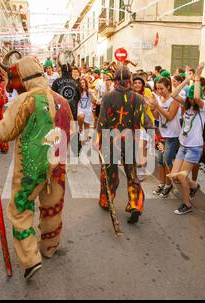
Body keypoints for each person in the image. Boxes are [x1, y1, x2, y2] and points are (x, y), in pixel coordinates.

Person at [0, 53, 72, 281]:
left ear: (22, 78)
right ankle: (49, 247)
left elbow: (4, 132)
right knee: (53, 207)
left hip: (31, 168)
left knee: (19, 210)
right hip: (58, 166)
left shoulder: (26, 100)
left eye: (13, 79)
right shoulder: (62, 100)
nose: (11, 85)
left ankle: (31, 259)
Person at [97, 66, 153, 224]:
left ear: (115, 81)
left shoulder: (108, 97)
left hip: (111, 140)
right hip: (131, 141)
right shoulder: (138, 98)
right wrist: (156, 139)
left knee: (110, 174)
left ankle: (107, 200)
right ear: (130, 80)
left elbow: (102, 121)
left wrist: (98, 139)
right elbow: (146, 121)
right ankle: (135, 205)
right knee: (132, 174)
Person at [167, 64, 205, 215]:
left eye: (192, 96)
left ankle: (187, 204)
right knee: (175, 177)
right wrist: (186, 80)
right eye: (188, 96)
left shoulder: (204, 106)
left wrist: (197, 77)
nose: (190, 98)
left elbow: (197, 97)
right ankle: (194, 186)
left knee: (182, 177)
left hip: (194, 147)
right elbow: (173, 95)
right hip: (183, 145)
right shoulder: (187, 106)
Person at [147, 77, 181, 199]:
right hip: (162, 134)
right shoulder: (160, 99)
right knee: (160, 161)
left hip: (172, 135)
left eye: (162, 88)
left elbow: (170, 116)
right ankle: (161, 183)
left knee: (167, 160)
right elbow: (157, 117)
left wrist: (158, 106)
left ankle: (168, 184)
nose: (159, 91)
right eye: (157, 88)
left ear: (168, 87)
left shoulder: (174, 100)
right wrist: (153, 108)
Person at [76, 78, 94, 142]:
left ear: (86, 83)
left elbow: (94, 101)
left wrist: (91, 93)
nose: (82, 84)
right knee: (81, 116)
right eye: (81, 83)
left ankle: (86, 138)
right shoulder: (78, 92)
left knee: (87, 125)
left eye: (83, 83)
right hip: (80, 109)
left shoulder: (90, 91)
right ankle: (80, 127)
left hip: (88, 110)